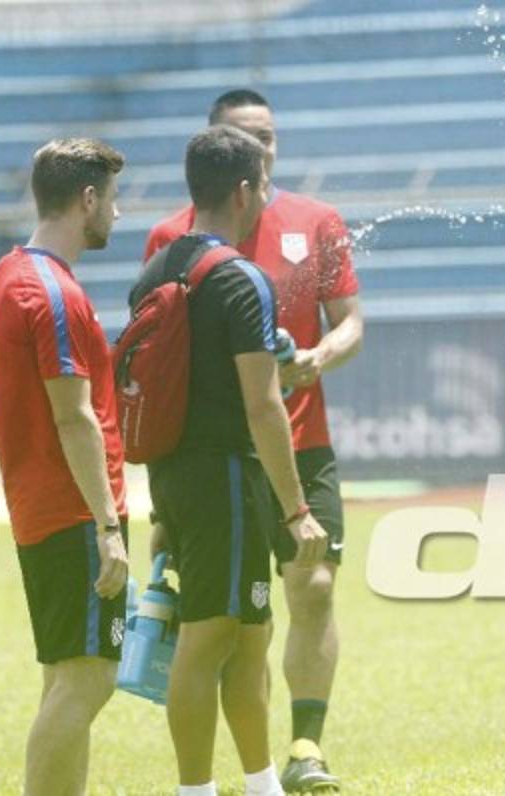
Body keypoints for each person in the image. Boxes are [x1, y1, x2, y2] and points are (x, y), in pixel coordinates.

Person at [145, 89, 362, 792]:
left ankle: (302, 746)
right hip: (223, 458)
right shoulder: (172, 240)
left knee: (312, 586)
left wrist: (315, 361)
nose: (263, 149)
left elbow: (351, 322)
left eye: (270, 135)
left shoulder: (316, 221)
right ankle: (217, 779)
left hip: (299, 441)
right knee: (229, 625)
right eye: (247, 138)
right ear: (222, 152)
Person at [0, 138, 129, 796]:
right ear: (87, 198)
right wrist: (108, 525)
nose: (117, 216)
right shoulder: (53, 293)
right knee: (90, 679)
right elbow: (73, 418)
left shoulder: (10, 273)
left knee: (67, 677)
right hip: (73, 512)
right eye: (113, 200)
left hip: (40, 507)